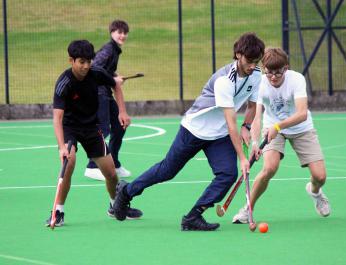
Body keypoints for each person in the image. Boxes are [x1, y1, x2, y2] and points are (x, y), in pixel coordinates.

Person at [112, 32, 265, 231]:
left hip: (218, 135)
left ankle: (193, 217)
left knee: (227, 174)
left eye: (256, 61)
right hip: (194, 129)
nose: (252, 65)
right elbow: (230, 123)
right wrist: (243, 158)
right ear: (238, 54)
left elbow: (252, 107)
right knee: (167, 170)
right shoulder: (224, 80)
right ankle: (126, 191)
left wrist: (247, 127)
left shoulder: (256, 75)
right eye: (249, 61)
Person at [45, 40, 142, 227]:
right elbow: (57, 119)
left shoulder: (96, 73)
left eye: (89, 61)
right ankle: (58, 211)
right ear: (71, 60)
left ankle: (115, 206)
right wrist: (62, 147)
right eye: (81, 61)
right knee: (69, 163)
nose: (86, 66)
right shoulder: (64, 83)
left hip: (91, 127)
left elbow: (116, 85)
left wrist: (122, 111)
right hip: (69, 128)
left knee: (111, 174)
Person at [232, 47, 331, 224]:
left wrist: (279, 126)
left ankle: (315, 191)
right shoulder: (260, 83)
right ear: (263, 69)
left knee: (320, 177)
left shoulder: (296, 79)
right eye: (269, 73)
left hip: (301, 128)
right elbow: (256, 117)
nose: (273, 77)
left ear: (286, 68)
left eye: (278, 73)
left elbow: (302, 114)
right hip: (272, 128)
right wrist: (255, 143)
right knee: (269, 168)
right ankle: (248, 209)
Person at [84, 20, 132, 181]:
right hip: (97, 93)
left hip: (106, 93)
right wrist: (113, 78)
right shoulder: (109, 49)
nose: (122, 35)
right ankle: (92, 166)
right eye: (119, 32)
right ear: (112, 32)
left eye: (125, 32)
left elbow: (106, 70)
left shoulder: (115, 50)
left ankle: (114, 163)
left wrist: (114, 76)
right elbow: (94, 67)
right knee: (103, 129)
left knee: (120, 126)